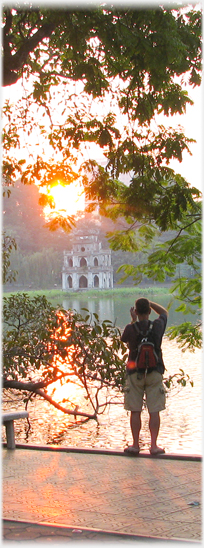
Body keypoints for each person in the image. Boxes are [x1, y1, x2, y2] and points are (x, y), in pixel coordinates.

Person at [121, 297, 168, 455]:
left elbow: (124, 339)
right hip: (155, 372)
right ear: (149, 311)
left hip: (135, 374)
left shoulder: (130, 328)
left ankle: (135, 445)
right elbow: (164, 312)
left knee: (135, 410)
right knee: (154, 410)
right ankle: (154, 446)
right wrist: (151, 303)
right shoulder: (157, 326)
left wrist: (133, 320)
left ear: (135, 311)